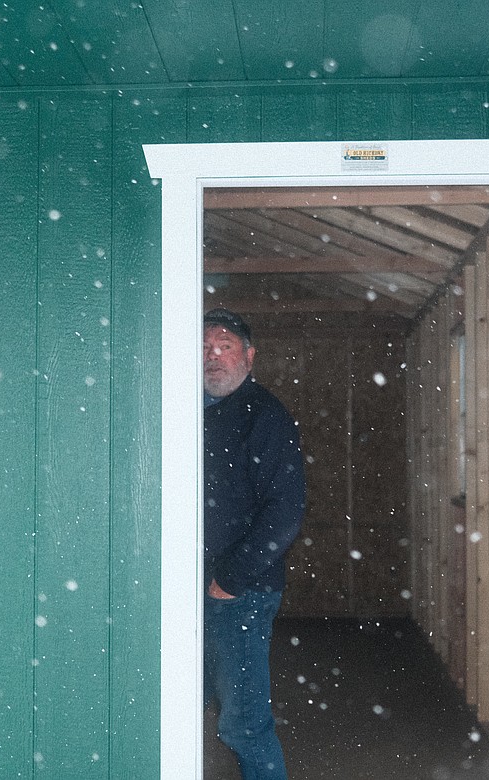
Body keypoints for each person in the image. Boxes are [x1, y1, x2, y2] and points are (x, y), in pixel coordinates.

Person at [202, 307, 305, 780]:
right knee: (183, 705)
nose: (213, 356)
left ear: (249, 356)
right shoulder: (187, 412)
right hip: (194, 589)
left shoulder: (263, 416)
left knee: (244, 725)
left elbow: (284, 511)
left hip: (239, 595)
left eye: (224, 347)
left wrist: (231, 580)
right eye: (204, 348)